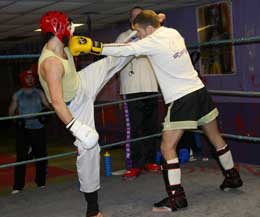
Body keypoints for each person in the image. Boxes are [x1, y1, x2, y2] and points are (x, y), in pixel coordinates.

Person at [69, 9, 243, 212]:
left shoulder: (153, 41)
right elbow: (154, 25)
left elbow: (124, 49)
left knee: (167, 148)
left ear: (150, 29)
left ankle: (176, 198)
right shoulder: (173, 33)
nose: (140, 36)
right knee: (215, 138)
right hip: (199, 92)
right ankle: (232, 177)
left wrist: (93, 47)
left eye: (141, 32)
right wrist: (154, 21)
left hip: (182, 99)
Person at [37, 11, 133, 217]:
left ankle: (138, 37)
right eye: (69, 27)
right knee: (89, 148)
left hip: (80, 84)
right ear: (59, 29)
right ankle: (92, 210)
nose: (73, 30)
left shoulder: (63, 45)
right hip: (72, 106)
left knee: (110, 62)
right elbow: (56, 101)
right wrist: (76, 127)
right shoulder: (51, 63)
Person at [115, 6, 160, 179]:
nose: (137, 20)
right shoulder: (123, 36)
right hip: (132, 89)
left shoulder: (153, 37)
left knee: (151, 127)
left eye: (140, 17)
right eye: (134, 17)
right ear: (131, 21)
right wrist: (135, 33)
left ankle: (149, 161)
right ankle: (134, 165)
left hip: (151, 87)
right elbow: (120, 52)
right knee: (135, 129)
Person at [9, 69, 50, 194]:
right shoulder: (18, 95)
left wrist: (45, 113)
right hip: (24, 130)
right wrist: (17, 119)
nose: (30, 79)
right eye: (27, 77)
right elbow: (10, 112)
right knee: (21, 158)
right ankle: (17, 186)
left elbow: (48, 106)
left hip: (38, 129)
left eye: (32, 77)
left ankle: (41, 183)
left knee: (41, 156)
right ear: (23, 79)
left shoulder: (39, 93)